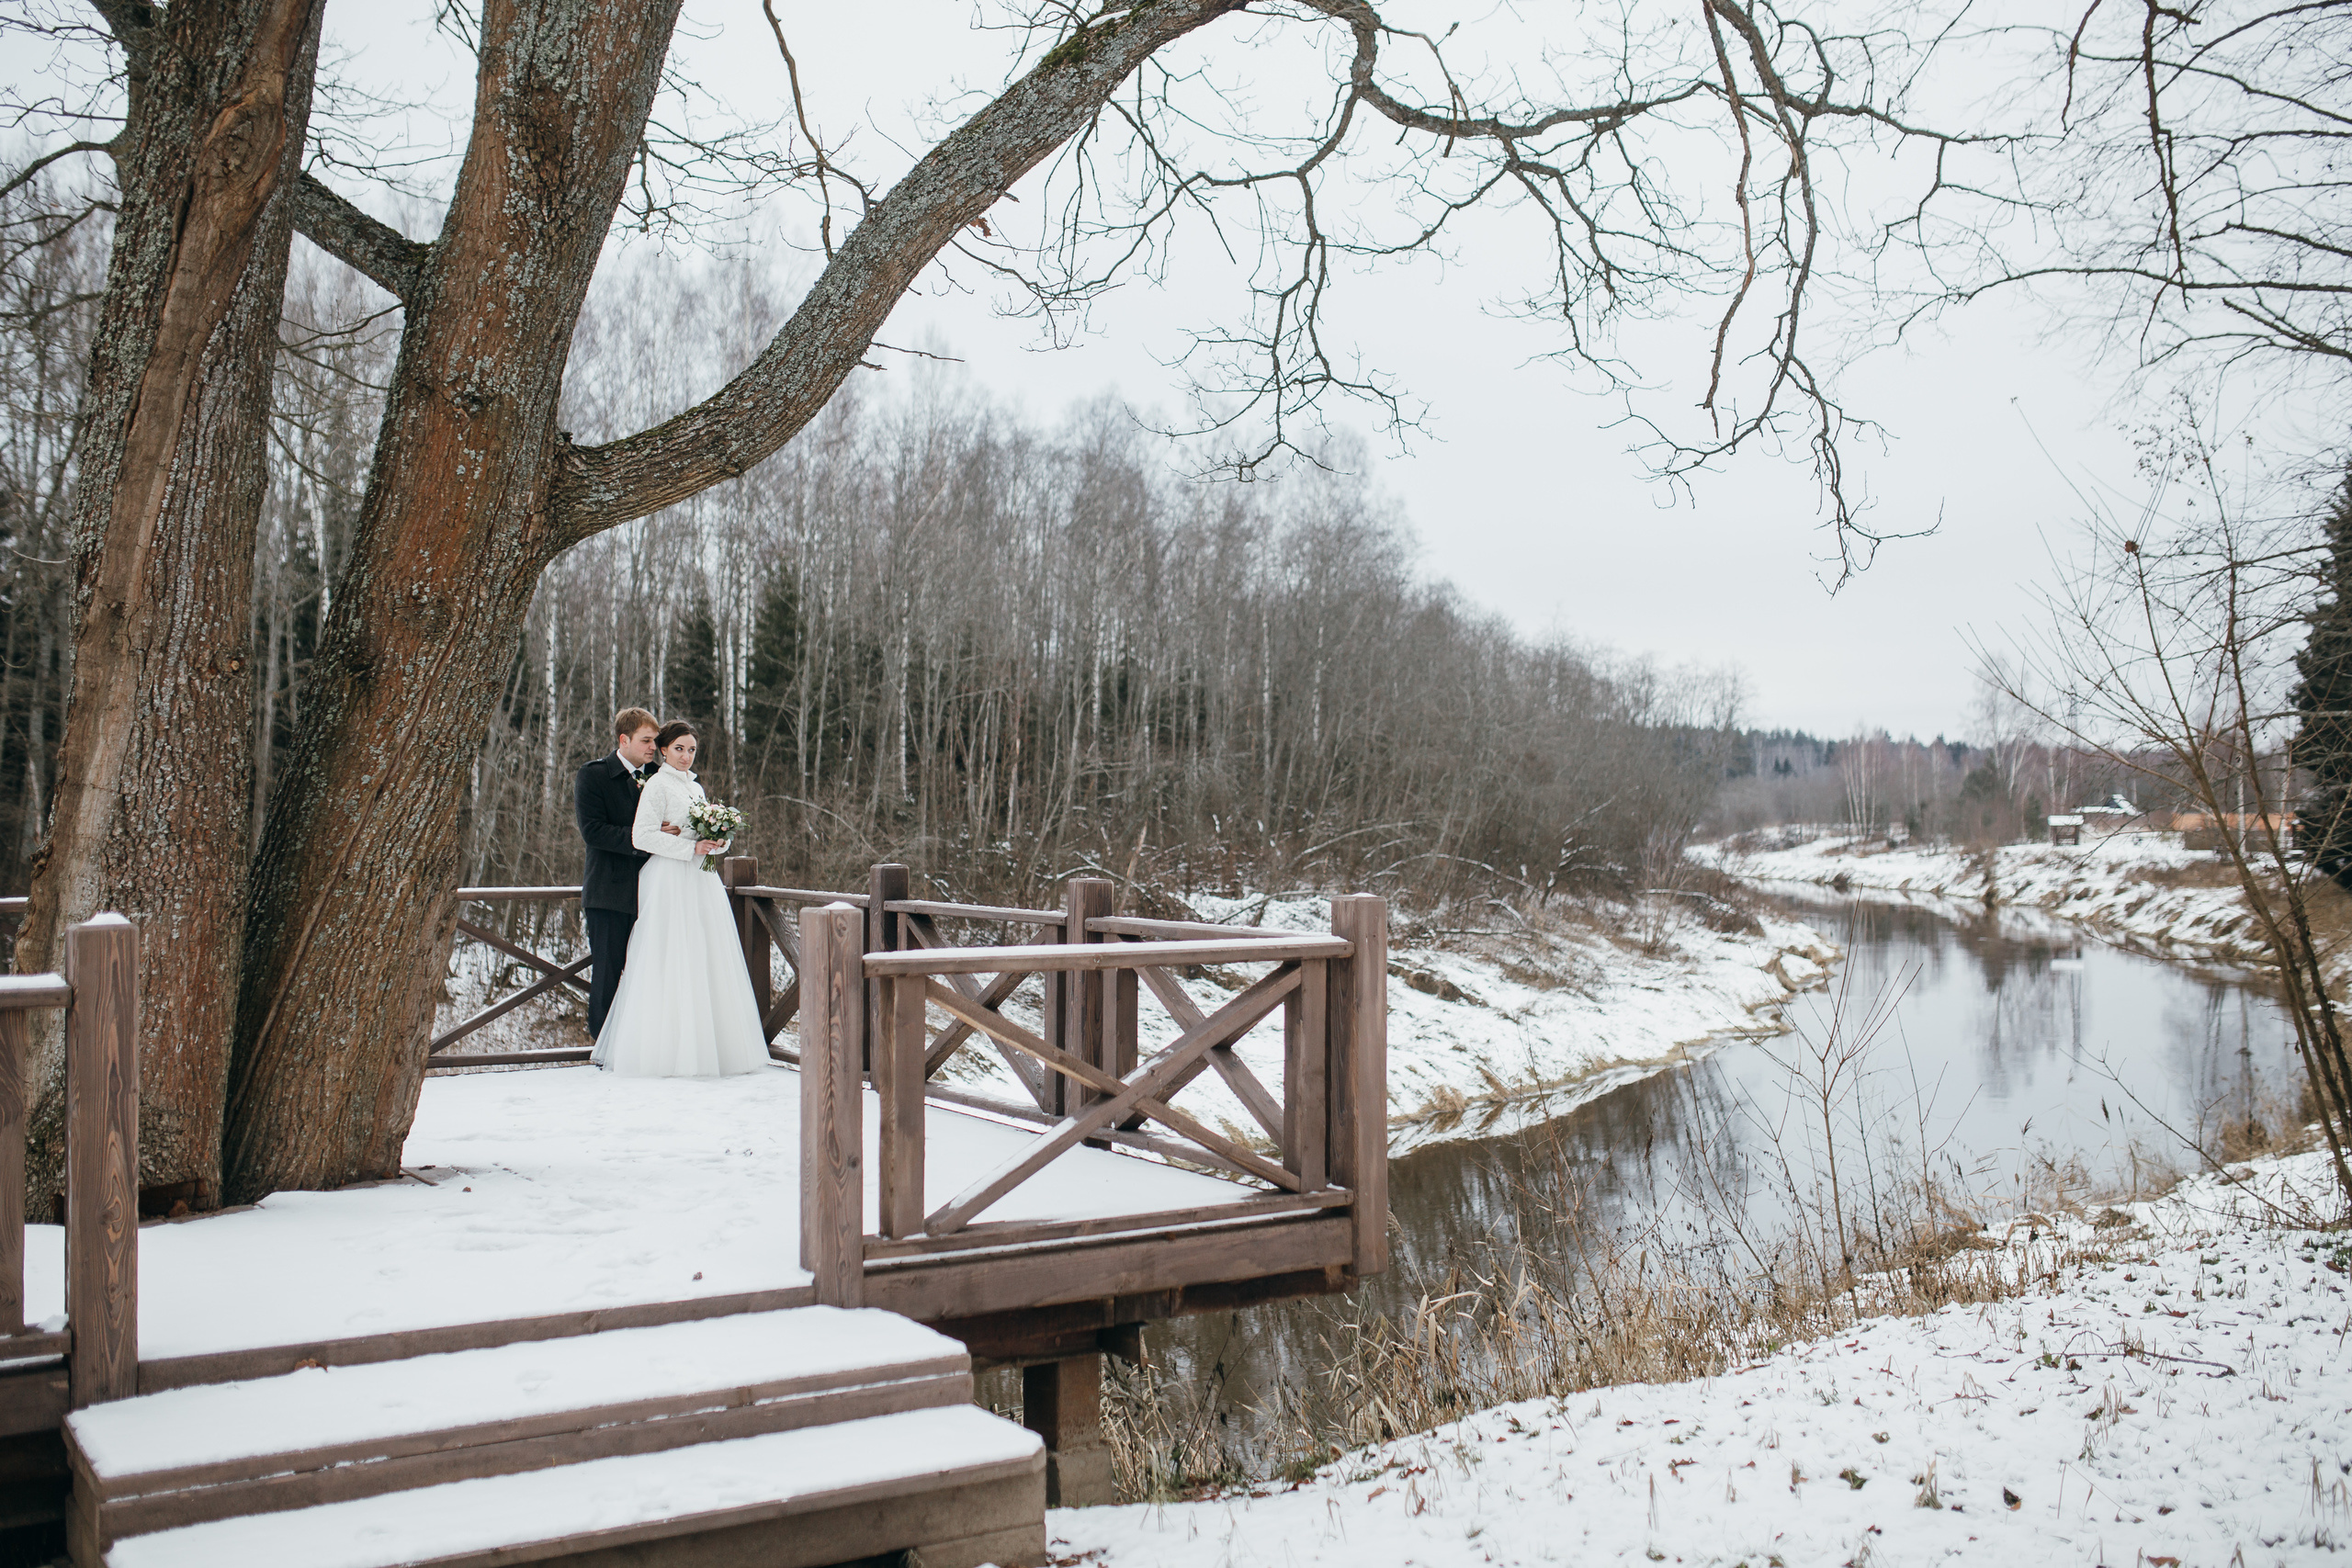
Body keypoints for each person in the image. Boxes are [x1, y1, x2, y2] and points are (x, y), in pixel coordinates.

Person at [590, 720, 770, 1077]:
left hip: (701, 881)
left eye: (691, 750)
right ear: (663, 750)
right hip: (670, 879)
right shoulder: (657, 785)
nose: (686, 756)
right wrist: (690, 849)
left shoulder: (696, 788)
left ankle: (711, 1047)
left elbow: (708, 836)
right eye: (679, 749)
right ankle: (665, 1050)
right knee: (670, 956)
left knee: (704, 955)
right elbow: (642, 837)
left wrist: (720, 841)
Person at [574, 707, 665, 1040]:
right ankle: (602, 1047)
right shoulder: (593, 775)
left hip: (654, 892)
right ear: (624, 740)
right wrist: (648, 838)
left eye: (655, 741)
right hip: (608, 893)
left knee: (652, 975)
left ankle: (645, 1045)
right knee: (607, 977)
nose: (653, 747)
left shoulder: (661, 776)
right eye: (646, 740)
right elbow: (593, 831)